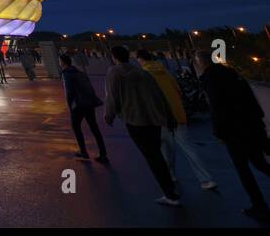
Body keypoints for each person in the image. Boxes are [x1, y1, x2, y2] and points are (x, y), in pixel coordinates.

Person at [195, 50, 270, 222]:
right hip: (252, 126)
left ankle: (259, 206)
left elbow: (217, 108)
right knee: (259, 163)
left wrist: (219, 132)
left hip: (234, 131)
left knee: (244, 171)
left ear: (201, 62)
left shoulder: (210, 79)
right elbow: (251, 99)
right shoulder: (231, 73)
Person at [104, 45, 180, 206]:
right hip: (153, 118)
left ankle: (170, 194)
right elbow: (159, 94)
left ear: (114, 57)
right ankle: (170, 189)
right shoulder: (143, 72)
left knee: (152, 156)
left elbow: (112, 96)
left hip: (135, 119)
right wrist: (169, 116)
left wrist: (109, 115)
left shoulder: (114, 72)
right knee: (156, 154)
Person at [136, 50, 216, 191]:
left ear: (140, 59)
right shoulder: (165, 71)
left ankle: (170, 176)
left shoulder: (144, 74)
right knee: (189, 149)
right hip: (177, 114)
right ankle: (206, 180)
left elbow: (145, 98)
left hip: (161, 117)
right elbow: (177, 90)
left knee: (165, 149)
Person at [59, 53, 108, 163]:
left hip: (78, 105)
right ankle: (103, 153)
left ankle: (83, 151)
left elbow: (69, 92)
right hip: (89, 102)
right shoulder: (80, 72)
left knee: (76, 127)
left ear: (62, 62)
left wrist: (70, 107)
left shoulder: (66, 74)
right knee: (94, 128)